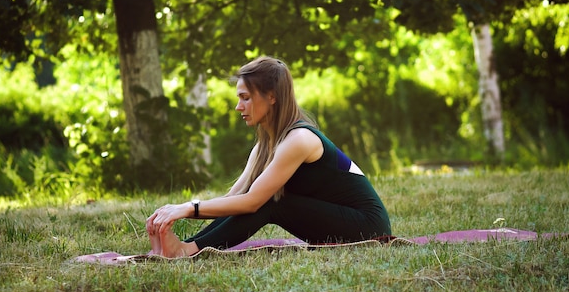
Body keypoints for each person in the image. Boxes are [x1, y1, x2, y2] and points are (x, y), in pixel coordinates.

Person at [146, 56, 391, 257]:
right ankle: (186, 248)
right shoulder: (265, 145)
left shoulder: (299, 140)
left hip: (367, 227)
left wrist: (188, 208)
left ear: (272, 96)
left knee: (272, 201)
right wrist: (176, 215)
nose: (238, 107)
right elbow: (235, 199)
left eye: (246, 98)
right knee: (264, 200)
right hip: (337, 221)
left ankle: (186, 251)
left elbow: (254, 202)